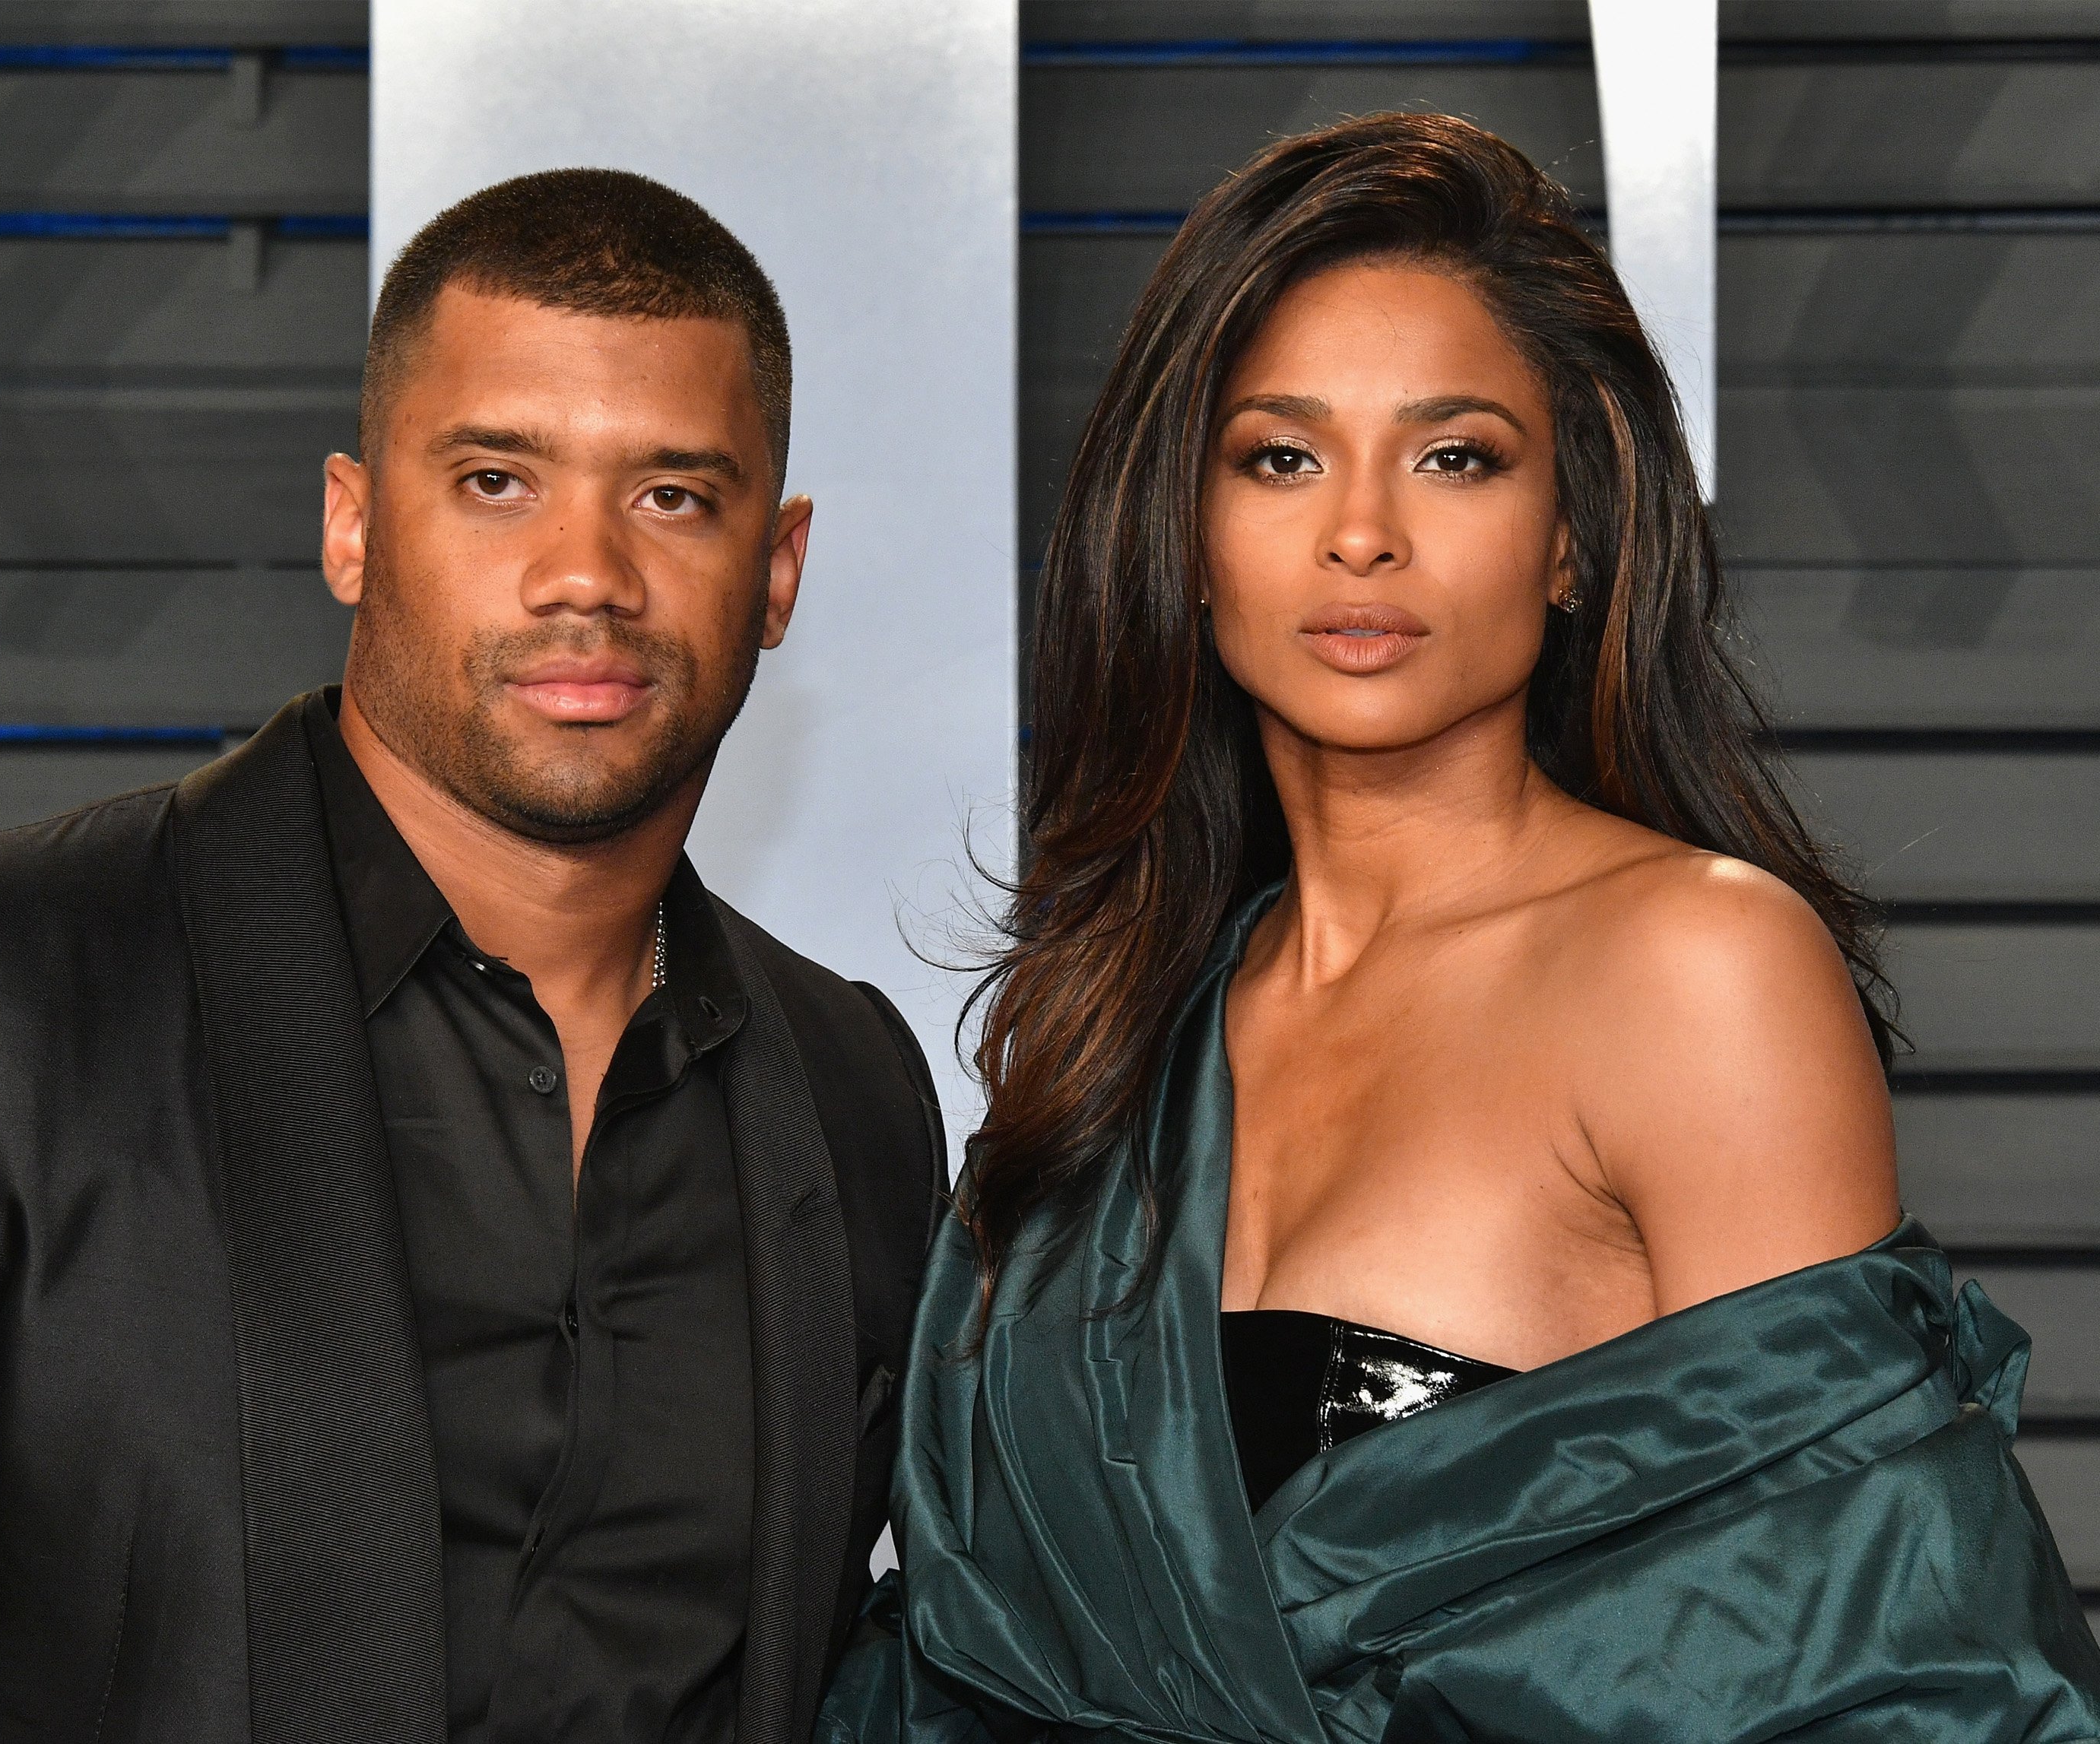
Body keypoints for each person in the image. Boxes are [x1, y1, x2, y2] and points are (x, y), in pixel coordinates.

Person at [820, 115, 2099, 1740]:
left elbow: (1879, 1653)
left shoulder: (1695, 967)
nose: (1362, 532)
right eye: (1280, 457)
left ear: (1570, 539)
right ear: (1186, 540)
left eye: (1456, 455)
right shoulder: (1115, 1031)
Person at [0, 169, 944, 1744]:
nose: (585, 576)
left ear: (779, 571)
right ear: (352, 524)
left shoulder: (856, 1094)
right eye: (498, 481)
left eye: (673, 495)